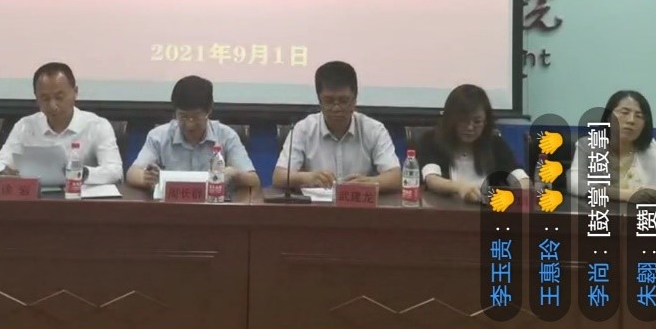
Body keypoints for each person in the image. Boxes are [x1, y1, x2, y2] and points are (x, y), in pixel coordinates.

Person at [273, 61, 401, 192]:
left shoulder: (373, 129)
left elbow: (396, 177)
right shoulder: (303, 129)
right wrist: (308, 178)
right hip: (316, 203)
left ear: (355, 100)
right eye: (328, 101)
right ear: (319, 101)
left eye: (343, 101)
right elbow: (279, 176)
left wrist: (371, 183)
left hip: (358, 202)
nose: (336, 108)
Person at [0, 62, 122, 185]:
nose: (52, 105)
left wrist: (81, 173)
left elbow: (115, 172)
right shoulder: (25, 126)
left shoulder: (97, 126)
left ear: (75, 92)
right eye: (45, 99)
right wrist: (2, 176)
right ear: (36, 98)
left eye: (59, 97)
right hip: (35, 201)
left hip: (80, 200)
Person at [126, 75, 260, 193]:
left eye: (196, 117)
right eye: (183, 117)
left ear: (209, 110)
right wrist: (146, 178)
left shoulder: (226, 136)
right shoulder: (158, 136)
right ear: (175, 112)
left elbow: (254, 180)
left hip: (215, 208)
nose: (190, 125)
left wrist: (235, 174)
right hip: (170, 208)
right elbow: (132, 173)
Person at [417, 84, 530, 204]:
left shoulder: (495, 143)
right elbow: (431, 179)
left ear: (486, 122)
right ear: (451, 120)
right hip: (443, 210)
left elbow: (520, 177)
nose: (470, 127)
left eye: (477, 122)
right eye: (463, 121)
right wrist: (460, 188)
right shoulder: (432, 140)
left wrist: (519, 190)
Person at [566, 90, 656, 201]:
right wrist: (627, 195)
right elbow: (575, 183)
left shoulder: (651, 148)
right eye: (624, 113)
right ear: (608, 118)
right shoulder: (588, 145)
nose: (631, 120)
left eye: (639, 116)